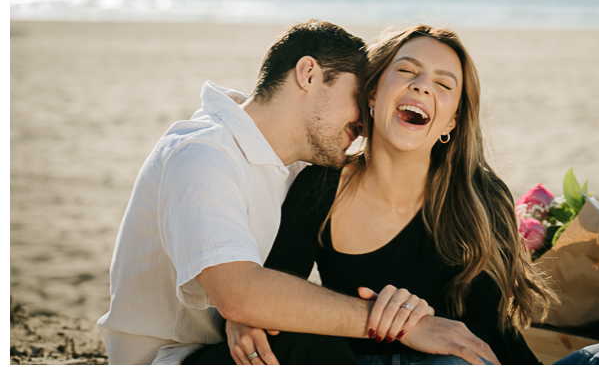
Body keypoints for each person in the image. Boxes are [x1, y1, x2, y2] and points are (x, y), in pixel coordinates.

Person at [217, 25, 599, 366]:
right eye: (406, 71)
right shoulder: (320, 188)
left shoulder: (478, 196)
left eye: (444, 83)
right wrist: (244, 318)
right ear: (372, 93)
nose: (422, 87)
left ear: (451, 122)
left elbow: (477, 338)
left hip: (474, 363)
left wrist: (404, 315)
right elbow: (278, 289)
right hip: (369, 362)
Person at [96, 20, 501, 365]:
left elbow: (261, 291)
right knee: (306, 345)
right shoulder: (202, 155)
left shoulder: (290, 165)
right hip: (175, 359)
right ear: (308, 74)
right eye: (358, 96)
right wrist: (405, 322)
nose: (364, 120)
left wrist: (253, 308)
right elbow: (239, 292)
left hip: (247, 348)